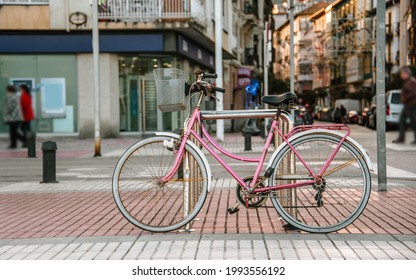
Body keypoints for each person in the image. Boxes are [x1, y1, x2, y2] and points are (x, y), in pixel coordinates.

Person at [393, 67, 416, 144]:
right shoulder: (407, 82)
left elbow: (413, 93)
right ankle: (401, 138)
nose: (401, 76)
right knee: (402, 121)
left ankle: (402, 138)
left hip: (411, 105)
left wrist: (405, 98)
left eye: (402, 74)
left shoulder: (411, 82)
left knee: (413, 122)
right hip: (408, 105)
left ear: (407, 74)